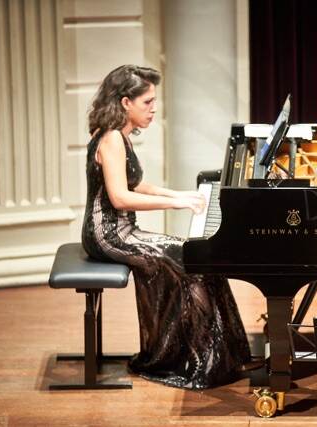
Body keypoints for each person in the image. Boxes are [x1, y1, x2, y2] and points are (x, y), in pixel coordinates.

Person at [81, 64, 250, 389]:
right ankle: (192, 360)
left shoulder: (119, 135)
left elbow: (136, 184)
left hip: (120, 232)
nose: (154, 108)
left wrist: (178, 193)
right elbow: (120, 198)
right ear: (125, 102)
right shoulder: (112, 138)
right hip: (109, 235)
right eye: (147, 102)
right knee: (194, 262)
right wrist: (176, 203)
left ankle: (208, 355)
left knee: (197, 257)